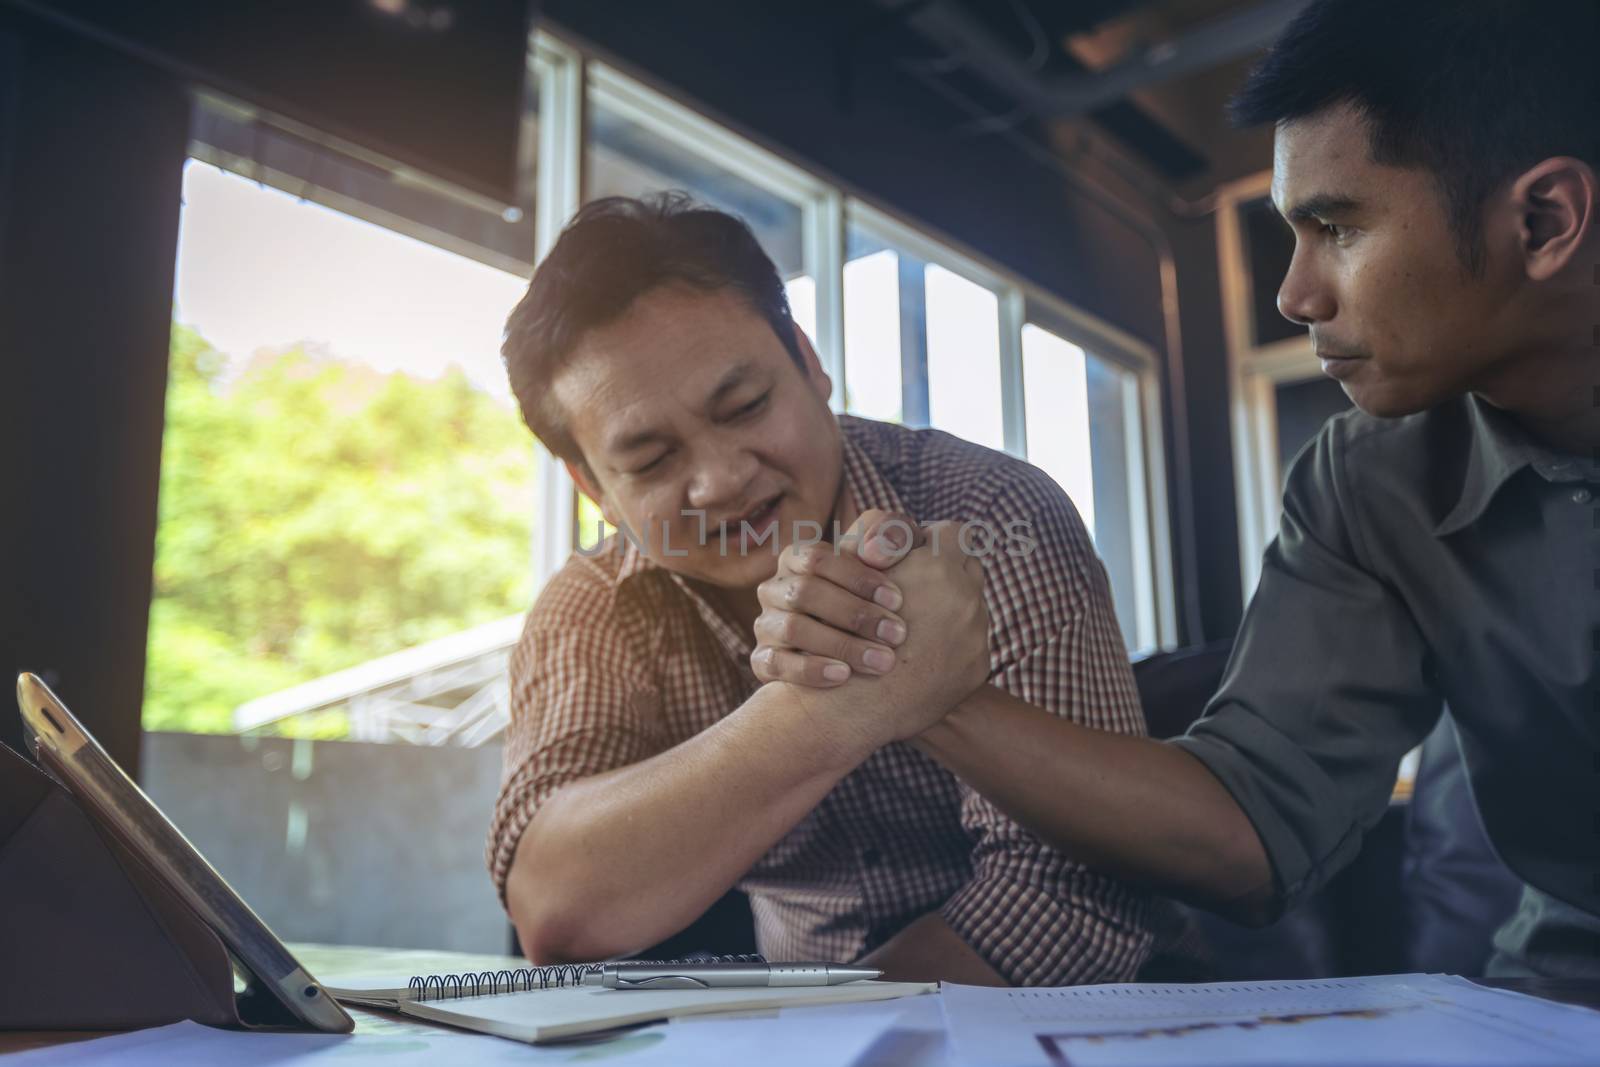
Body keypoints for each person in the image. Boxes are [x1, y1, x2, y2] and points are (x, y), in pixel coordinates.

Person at [756, 0, 1599, 977]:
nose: (1294, 295)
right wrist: (925, 692)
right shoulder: (1365, 482)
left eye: (1337, 226)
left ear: (1543, 220)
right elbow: (1249, 830)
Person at [486, 192, 1156, 985]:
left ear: (809, 361)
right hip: (793, 1020)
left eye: (746, 405)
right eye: (652, 460)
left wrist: (840, 1032)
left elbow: (1075, 894)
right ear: (592, 486)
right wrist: (841, 706)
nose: (723, 478)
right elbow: (555, 904)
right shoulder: (597, 602)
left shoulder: (990, 515)